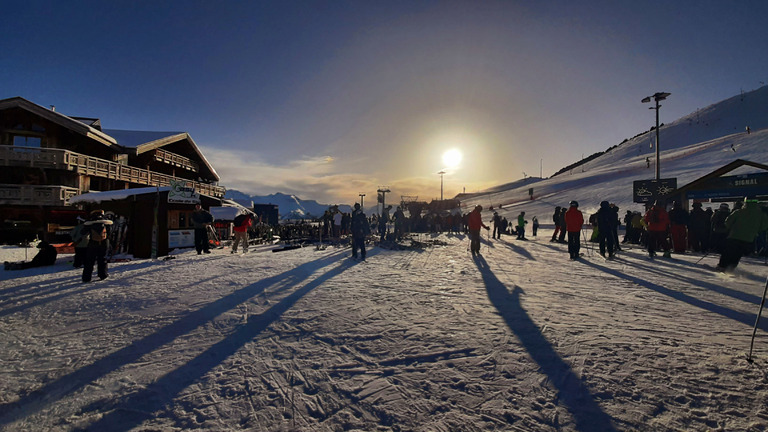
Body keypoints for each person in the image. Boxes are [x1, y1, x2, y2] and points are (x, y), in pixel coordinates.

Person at [717, 198, 768, 271]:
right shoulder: (761, 214)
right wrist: (755, 231)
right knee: (738, 254)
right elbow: (764, 226)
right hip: (748, 238)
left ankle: (722, 266)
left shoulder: (739, 212)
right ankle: (731, 268)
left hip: (734, 235)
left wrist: (730, 228)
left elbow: (728, 222)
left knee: (728, 251)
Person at [82, 209, 114, 282]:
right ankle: (103, 275)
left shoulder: (90, 223)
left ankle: (86, 278)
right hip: (104, 243)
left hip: (92, 243)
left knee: (89, 261)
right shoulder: (106, 223)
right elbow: (110, 231)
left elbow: (83, 233)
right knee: (102, 259)